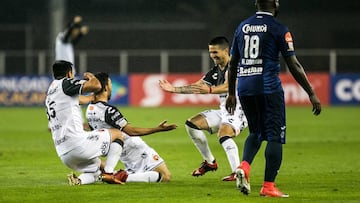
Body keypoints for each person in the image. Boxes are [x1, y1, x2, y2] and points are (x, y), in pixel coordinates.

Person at [226, 0, 321, 197]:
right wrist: (311, 92)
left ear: (256, 4)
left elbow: (233, 62)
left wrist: (230, 93)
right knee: (275, 135)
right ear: (276, 4)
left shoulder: (242, 26)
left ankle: (244, 166)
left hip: (244, 86)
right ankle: (268, 186)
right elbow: (293, 64)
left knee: (256, 132)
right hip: (268, 87)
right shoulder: (278, 28)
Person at [159, 36, 248, 181]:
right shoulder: (215, 71)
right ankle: (210, 162)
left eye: (215, 52)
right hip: (225, 110)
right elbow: (198, 86)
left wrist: (211, 90)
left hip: (240, 110)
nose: (213, 56)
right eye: (211, 52)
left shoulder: (238, 65)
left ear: (226, 51)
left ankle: (236, 172)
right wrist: (173, 89)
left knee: (224, 134)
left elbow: (230, 86)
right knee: (192, 124)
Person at [85, 72, 177, 183]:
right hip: (134, 148)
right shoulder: (108, 110)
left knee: (141, 176)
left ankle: (112, 176)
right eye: (110, 85)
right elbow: (131, 131)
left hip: (121, 152)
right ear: (105, 88)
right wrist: (158, 129)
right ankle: (117, 177)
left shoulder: (90, 109)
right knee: (165, 176)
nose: (111, 88)